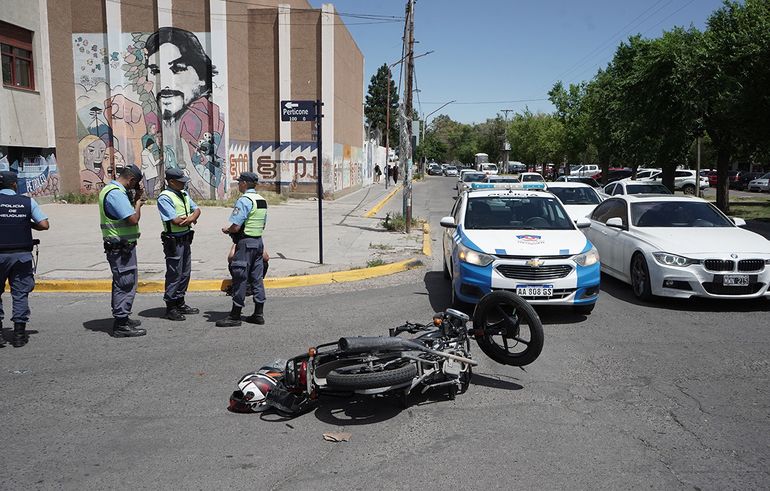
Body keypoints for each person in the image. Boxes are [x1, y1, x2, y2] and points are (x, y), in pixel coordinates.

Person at [0, 171, 49, 348]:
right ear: (14, 185)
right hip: (21, 255)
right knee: (20, 294)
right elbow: (44, 224)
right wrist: (27, 223)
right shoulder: (27, 201)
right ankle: (19, 335)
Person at [98, 164, 146, 337]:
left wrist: (134, 198)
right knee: (125, 283)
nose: (134, 188)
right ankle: (121, 324)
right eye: (135, 184)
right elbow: (132, 219)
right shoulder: (116, 194)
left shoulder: (110, 190)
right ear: (131, 179)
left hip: (121, 246)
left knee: (123, 282)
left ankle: (123, 317)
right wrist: (138, 203)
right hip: (121, 248)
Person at [217, 172, 267, 327]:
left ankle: (235, 315)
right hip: (258, 242)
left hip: (245, 244)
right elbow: (262, 223)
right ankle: (258, 314)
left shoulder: (244, 200)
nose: (238, 184)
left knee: (240, 278)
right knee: (257, 279)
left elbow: (237, 225)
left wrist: (228, 229)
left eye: (240, 182)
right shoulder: (261, 200)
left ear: (245, 183)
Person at [157, 168, 201, 321]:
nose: (184, 184)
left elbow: (197, 210)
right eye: (180, 182)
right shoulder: (164, 197)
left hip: (185, 238)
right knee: (174, 273)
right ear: (171, 182)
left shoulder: (183, 193)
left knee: (185, 272)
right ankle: (171, 306)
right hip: (173, 241)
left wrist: (189, 218)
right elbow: (176, 221)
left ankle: (180, 301)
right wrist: (191, 219)